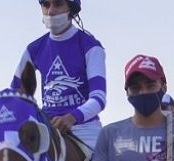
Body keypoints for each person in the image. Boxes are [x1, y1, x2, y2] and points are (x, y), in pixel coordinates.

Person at [12, 0, 106, 149]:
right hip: (46, 129)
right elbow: (15, 93)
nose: (50, 11)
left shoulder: (91, 47)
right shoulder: (33, 49)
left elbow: (99, 99)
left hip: (85, 130)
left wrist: (71, 118)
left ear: (72, 9)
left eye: (58, 4)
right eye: (46, 5)